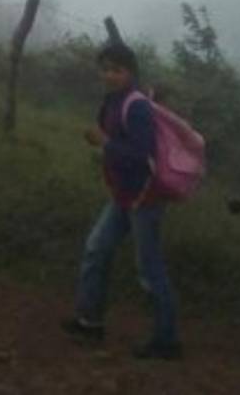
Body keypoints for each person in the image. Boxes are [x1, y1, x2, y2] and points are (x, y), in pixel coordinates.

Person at [61, 43, 182, 360]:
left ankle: (166, 340)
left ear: (131, 72)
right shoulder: (112, 100)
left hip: (145, 198)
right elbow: (116, 143)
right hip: (124, 195)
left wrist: (105, 143)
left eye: (117, 69)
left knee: (149, 268)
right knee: (96, 249)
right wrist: (102, 142)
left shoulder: (137, 106)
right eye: (106, 69)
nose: (110, 75)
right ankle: (89, 322)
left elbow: (143, 157)